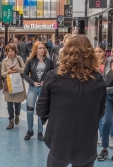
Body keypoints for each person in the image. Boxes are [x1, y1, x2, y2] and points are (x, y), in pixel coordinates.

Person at [37, 35, 106, 167]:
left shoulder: (53, 77)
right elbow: (100, 112)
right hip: (86, 140)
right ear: (90, 55)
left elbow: (41, 109)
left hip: (59, 138)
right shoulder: (97, 80)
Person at [23, 41, 54, 141]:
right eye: (40, 48)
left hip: (44, 88)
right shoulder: (31, 61)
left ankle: (40, 132)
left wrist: (46, 81)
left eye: (43, 48)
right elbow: (25, 74)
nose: (42, 50)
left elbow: (53, 74)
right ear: (35, 49)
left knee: (41, 111)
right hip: (33, 88)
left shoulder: (49, 61)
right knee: (29, 110)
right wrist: (33, 82)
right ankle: (30, 130)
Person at [1, 43, 26, 130]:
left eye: (12, 51)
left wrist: (17, 69)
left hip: (18, 84)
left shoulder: (19, 59)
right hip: (9, 85)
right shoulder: (4, 61)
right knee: (9, 104)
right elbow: (2, 74)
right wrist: (8, 72)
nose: (10, 53)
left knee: (18, 103)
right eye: (8, 51)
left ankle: (17, 115)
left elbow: (25, 70)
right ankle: (10, 120)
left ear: (15, 52)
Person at [95, 45, 113, 148]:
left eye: (100, 51)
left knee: (106, 117)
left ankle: (108, 137)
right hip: (95, 93)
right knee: (98, 116)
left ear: (104, 52)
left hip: (105, 93)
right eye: (96, 52)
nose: (98, 54)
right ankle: (101, 136)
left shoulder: (108, 63)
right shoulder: (90, 64)